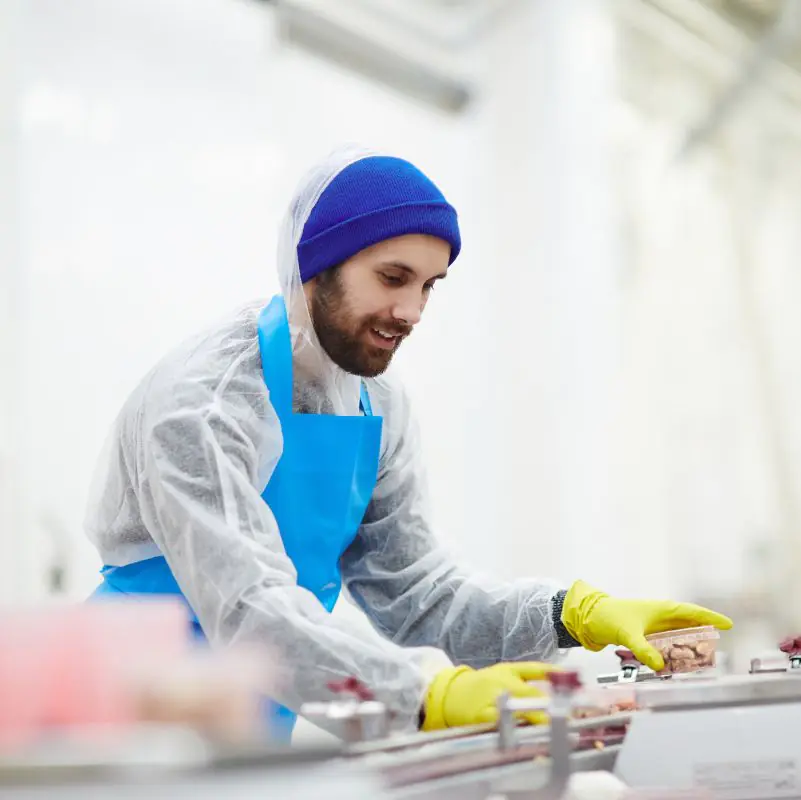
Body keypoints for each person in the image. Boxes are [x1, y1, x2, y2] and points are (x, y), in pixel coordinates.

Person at [85, 145, 732, 742]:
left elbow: (419, 595)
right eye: (392, 277)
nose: (412, 311)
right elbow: (248, 607)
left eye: (428, 285)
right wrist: (426, 693)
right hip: (130, 713)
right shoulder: (205, 401)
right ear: (318, 265)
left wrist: (573, 612)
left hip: (259, 711)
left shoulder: (376, 404)